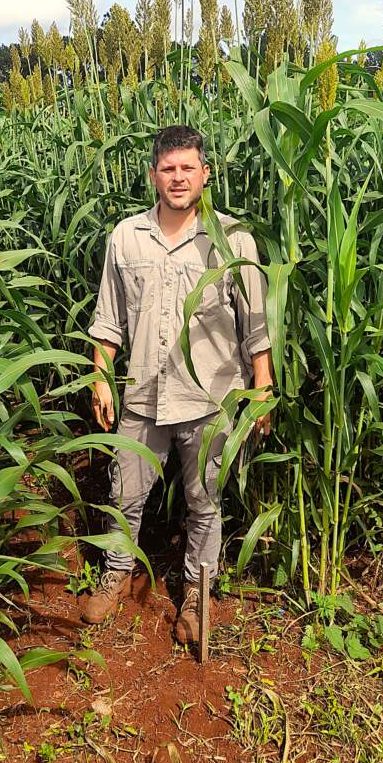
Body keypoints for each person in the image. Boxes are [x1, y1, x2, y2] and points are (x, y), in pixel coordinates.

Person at [84, 124, 273, 644]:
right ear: (152, 175)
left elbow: (255, 321)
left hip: (208, 397)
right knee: (126, 494)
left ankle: (196, 591)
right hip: (142, 393)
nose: (178, 177)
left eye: (188, 167)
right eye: (168, 169)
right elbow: (108, 320)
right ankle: (117, 574)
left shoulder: (232, 239)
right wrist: (101, 378)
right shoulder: (126, 236)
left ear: (205, 174)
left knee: (204, 499)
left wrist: (262, 387)